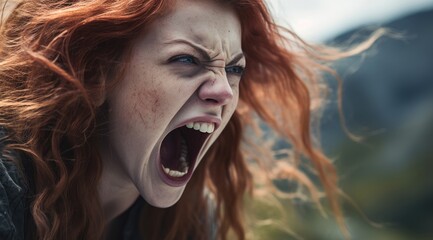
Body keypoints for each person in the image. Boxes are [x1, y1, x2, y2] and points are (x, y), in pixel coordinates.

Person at [0, 0, 368, 239]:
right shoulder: (8, 184)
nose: (224, 91)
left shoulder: (188, 222)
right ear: (96, 73)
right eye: (187, 60)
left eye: (235, 69)